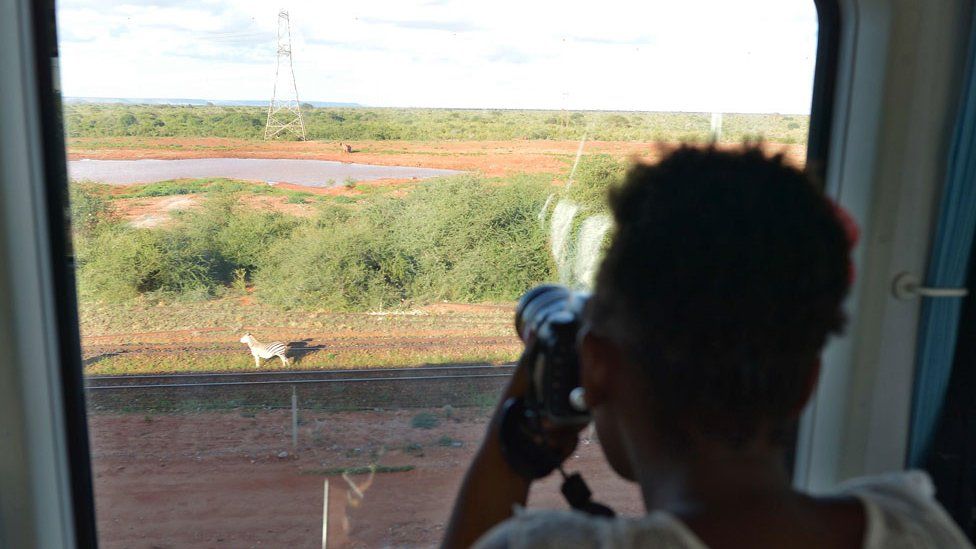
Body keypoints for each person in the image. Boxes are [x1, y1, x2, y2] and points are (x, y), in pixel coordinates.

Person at [442, 146, 973, 549]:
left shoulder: (547, 543)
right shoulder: (913, 523)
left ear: (597, 367)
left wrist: (523, 423)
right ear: (807, 383)